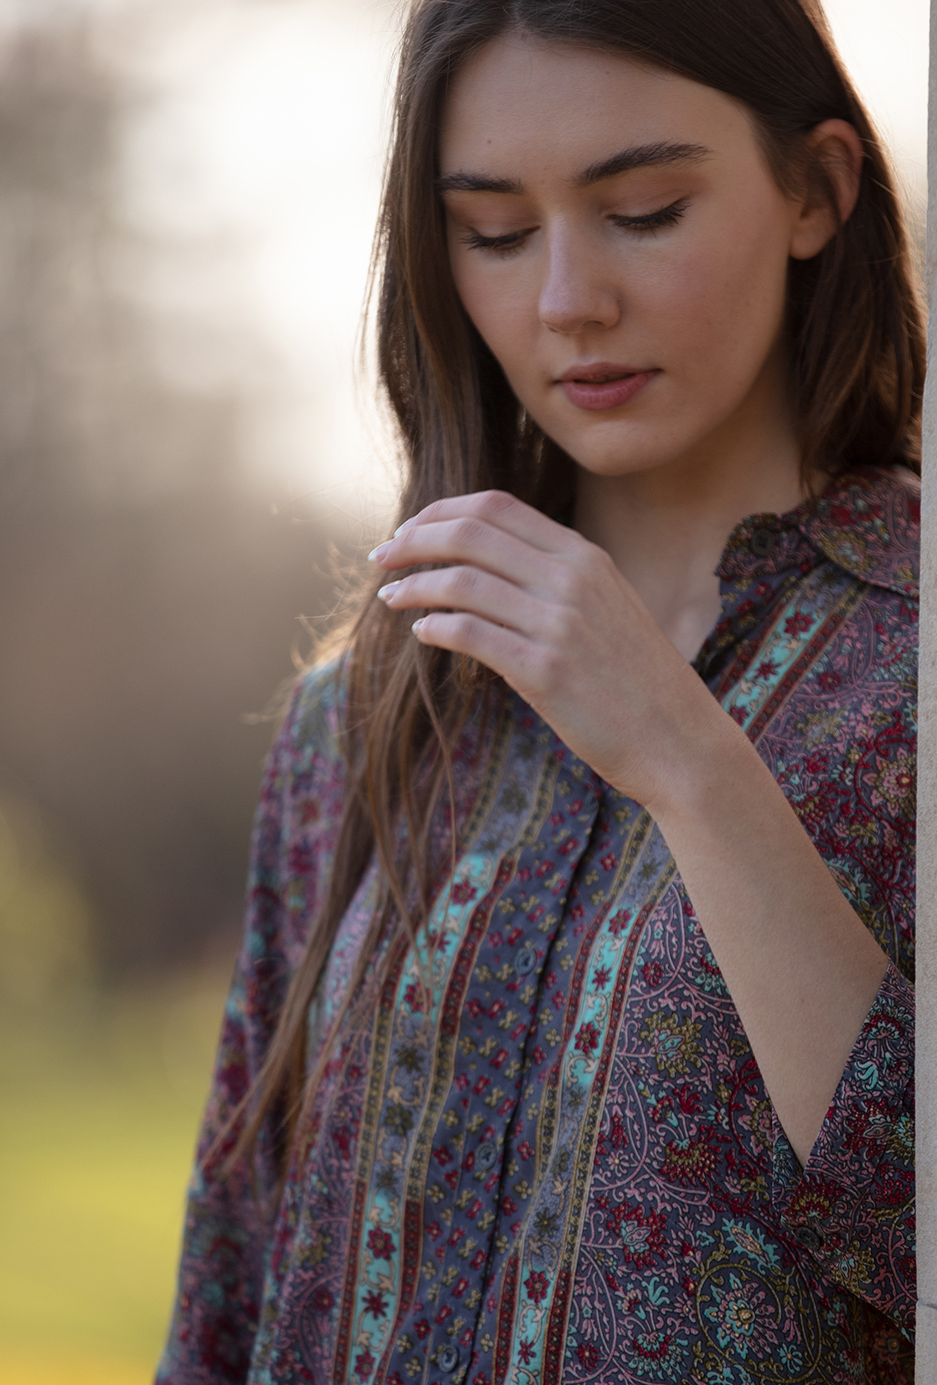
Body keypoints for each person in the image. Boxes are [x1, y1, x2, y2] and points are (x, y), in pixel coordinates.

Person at [157, 1, 920, 1381]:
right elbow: (231, 1276)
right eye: (496, 232)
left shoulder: (906, 676)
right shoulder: (369, 718)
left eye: (641, 209)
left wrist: (688, 758)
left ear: (819, 188)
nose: (567, 298)